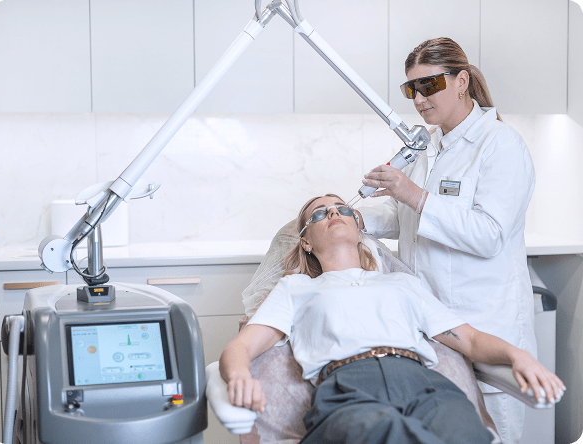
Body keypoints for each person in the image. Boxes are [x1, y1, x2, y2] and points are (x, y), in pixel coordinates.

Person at [219, 194, 564, 444]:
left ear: (359, 230)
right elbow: (241, 347)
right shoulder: (295, 288)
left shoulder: (401, 283)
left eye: (343, 208)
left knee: (465, 433)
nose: (334, 212)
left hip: (425, 386)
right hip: (349, 391)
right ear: (305, 242)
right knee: (382, 432)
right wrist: (238, 376)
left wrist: (518, 355)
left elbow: (470, 340)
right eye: (319, 213)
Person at [357, 37, 536, 443]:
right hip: (435, 331)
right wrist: (358, 219)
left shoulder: (500, 144)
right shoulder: (429, 148)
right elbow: (407, 217)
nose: (419, 99)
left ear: (462, 81)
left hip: (487, 328)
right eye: (412, 89)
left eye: (429, 85)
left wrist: (415, 195)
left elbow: (489, 235)